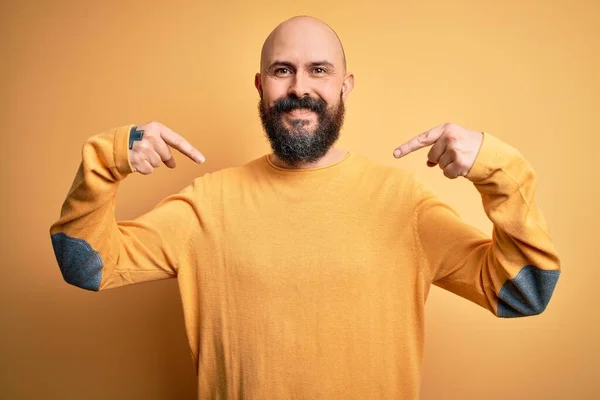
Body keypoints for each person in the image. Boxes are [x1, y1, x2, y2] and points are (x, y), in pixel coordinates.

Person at [49, 15, 561, 399]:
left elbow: (525, 292)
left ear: (345, 85)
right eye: (281, 70)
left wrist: (497, 168)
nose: (300, 88)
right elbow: (85, 263)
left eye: (319, 70)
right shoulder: (207, 204)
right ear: (260, 86)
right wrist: (110, 158)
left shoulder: (404, 205)